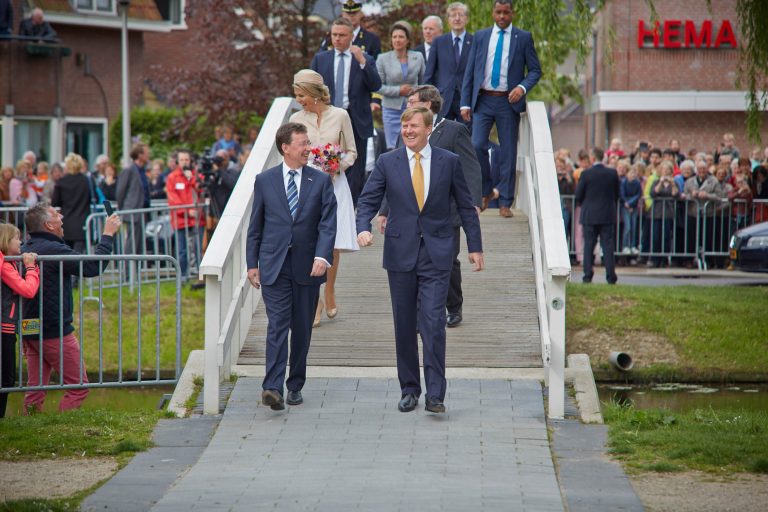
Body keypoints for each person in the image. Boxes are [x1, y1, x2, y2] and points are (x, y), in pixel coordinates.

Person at [356, 107, 483, 414]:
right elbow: (368, 199)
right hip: (400, 254)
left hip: (437, 252)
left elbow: (466, 206)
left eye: (413, 126)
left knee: (433, 322)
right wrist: (362, 227)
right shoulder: (388, 162)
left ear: (428, 129)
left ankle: (436, 394)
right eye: (404, 126)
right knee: (404, 325)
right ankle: (409, 388)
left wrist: (475, 246)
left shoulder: (448, 162)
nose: (408, 131)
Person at [246, 123, 337, 410]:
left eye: (308, 142)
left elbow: (327, 224)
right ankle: (272, 387)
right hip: (274, 265)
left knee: (301, 329)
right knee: (277, 325)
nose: (308, 148)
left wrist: (322, 257)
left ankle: (295, 383)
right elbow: (255, 226)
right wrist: (252, 263)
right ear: (285, 147)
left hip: (308, 266)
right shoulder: (265, 180)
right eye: (302, 143)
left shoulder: (320, 181)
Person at [379, 85, 482, 328]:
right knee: (414, 260)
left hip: (447, 211)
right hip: (411, 211)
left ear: (428, 104)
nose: (408, 107)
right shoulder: (407, 132)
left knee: (448, 261)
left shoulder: (454, 130)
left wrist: (475, 202)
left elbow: (470, 166)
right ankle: (418, 313)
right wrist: (384, 210)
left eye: (412, 101)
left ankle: (453, 306)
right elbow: (395, 173)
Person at [21, 204, 121, 413]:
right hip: (54, 330)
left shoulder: (25, 249)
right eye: (57, 215)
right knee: (78, 387)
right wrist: (108, 235)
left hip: (29, 328)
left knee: (36, 389)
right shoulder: (54, 250)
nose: (62, 217)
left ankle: (30, 424)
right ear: (49, 225)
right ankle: (63, 425)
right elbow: (93, 267)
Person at [289, 69, 359, 327]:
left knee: (333, 242)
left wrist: (338, 165)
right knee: (309, 240)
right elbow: (291, 152)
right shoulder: (296, 118)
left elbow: (352, 151)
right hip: (307, 184)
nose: (298, 100)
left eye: (301, 94)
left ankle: (329, 290)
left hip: (335, 182)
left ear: (313, 93)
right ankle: (315, 300)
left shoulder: (340, 115)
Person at [460, 0, 541, 218]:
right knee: (476, 144)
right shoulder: (481, 36)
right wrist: (465, 102)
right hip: (483, 100)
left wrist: (522, 88)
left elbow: (535, 70)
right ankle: (487, 190)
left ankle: (505, 200)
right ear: (493, 12)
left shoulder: (523, 38)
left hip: (508, 102)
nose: (502, 16)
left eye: (506, 12)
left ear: (512, 13)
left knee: (508, 153)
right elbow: (470, 71)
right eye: (499, 12)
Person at [311, 17, 382, 207]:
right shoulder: (321, 59)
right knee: (326, 166)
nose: (337, 39)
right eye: (334, 35)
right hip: (329, 119)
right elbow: (310, 90)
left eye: (342, 35)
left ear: (351, 36)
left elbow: (376, 85)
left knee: (355, 170)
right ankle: (328, 206)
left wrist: (362, 62)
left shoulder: (365, 58)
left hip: (356, 120)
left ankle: (350, 210)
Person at [0, 225, 39, 418]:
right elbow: (28, 290)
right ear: (6, 242)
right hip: (3, 328)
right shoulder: (6, 265)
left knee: (6, 377)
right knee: (6, 378)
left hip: (7, 326)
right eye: (17, 239)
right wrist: (32, 268)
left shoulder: (9, 263)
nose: (20, 242)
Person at [376, 21, 425, 150]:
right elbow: (378, 86)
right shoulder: (382, 59)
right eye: (394, 37)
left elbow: (423, 82)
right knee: (393, 146)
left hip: (413, 107)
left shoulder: (418, 57)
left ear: (408, 40)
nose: (397, 40)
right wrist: (398, 90)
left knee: (414, 143)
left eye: (401, 37)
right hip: (391, 109)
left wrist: (414, 92)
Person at [575, 147, 619, 284]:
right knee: (607, 246)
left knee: (588, 246)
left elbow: (578, 195)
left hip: (590, 214)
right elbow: (616, 194)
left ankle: (587, 275)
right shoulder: (612, 173)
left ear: (593, 158)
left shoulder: (586, 174)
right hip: (607, 214)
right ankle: (611, 276)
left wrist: (586, 204)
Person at [425, 2, 473, 123]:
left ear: (466, 18)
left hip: (467, 100)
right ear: (448, 20)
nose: (457, 18)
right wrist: (428, 99)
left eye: (460, 15)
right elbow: (429, 74)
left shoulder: (474, 41)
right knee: (442, 139)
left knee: (467, 138)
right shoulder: (438, 42)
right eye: (453, 15)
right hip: (443, 99)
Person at [165, 150, 205, 281]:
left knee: (198, 248)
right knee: (182, 250)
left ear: (190, 161)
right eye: (182, 160)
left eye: (186, 160)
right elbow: (173, 199)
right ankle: (182, 277)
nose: (184, 162)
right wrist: (187, 211)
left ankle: (201, 276)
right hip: (180, 220)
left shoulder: (196, 176)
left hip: (197, 219)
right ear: (177, 162)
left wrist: (191, 179)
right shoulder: (172, 177)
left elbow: (201, 189)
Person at [51, 153, 91, 254]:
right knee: (79, 255)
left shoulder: (62, 181)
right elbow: (90, 198)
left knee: (66, 255)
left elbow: (55, 202)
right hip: (82, 222)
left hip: (66, 223)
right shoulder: (86, 180)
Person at [117, 143, 150, 256]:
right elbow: (121, 191)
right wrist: (123, 209)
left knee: (139, 243)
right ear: (140, 155)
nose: (148, 155)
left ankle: (136, 271)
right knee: (132, 242)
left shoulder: (143, 171)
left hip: (142, 211)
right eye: (146, 153)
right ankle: (128, 272)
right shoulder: (129, 170)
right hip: (133, 211)